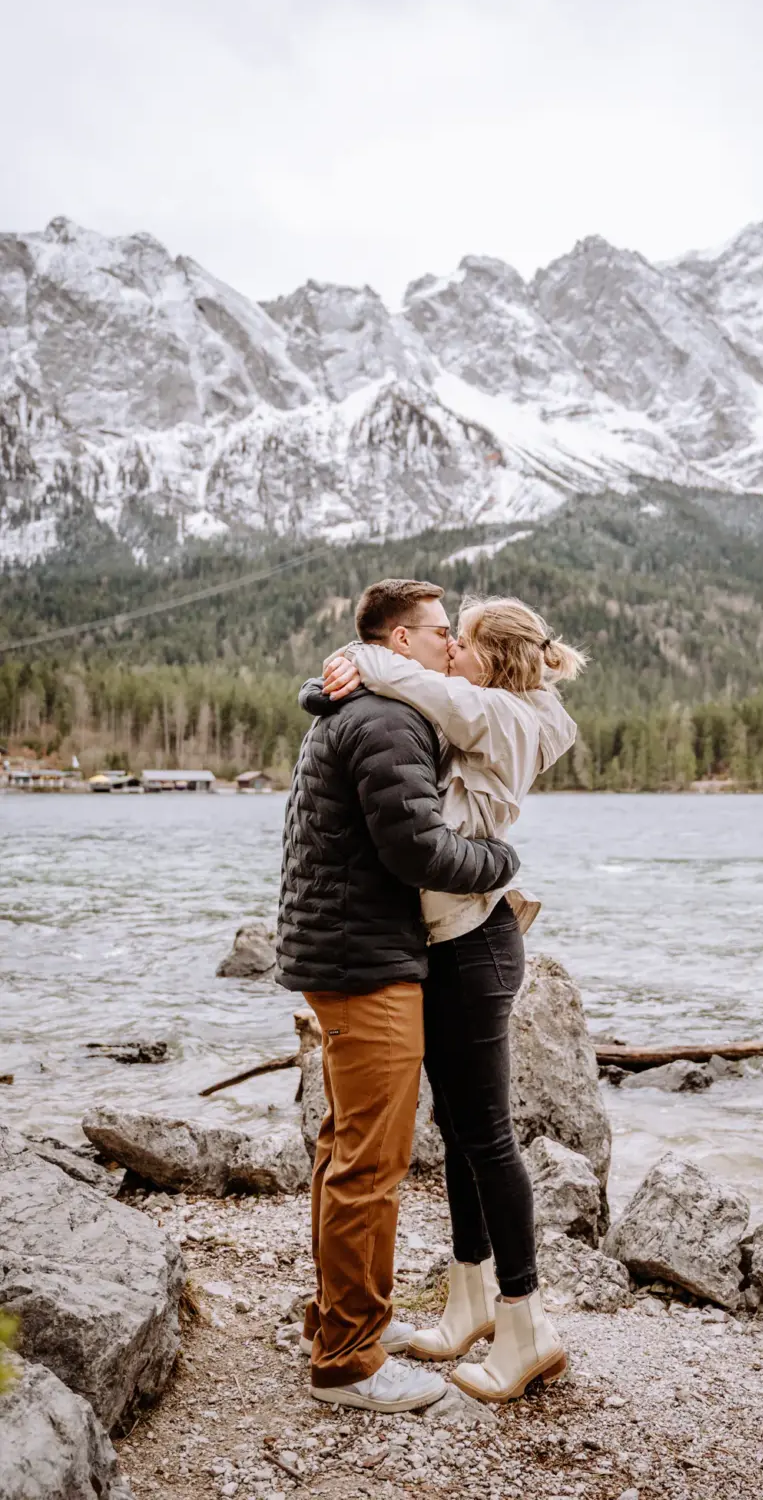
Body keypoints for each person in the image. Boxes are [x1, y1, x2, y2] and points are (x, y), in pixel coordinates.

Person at [319, 594, 586, 1403]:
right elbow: (417, 694)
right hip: (454, 941)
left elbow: (426, 691)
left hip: (477, 946)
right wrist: (335, 680)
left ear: (490, 659)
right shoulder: (497, 707)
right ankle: (469, 1300)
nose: (450, 653)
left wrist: (362, 659)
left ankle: (525, 1320)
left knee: (490, 1138)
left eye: (460, 640)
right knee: (458, 1130)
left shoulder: (506, 716)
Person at [276, 579, 521, 1415]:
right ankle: (349, 1360)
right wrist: (502, 864)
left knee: (342, 1148)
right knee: (369, 1165)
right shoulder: (387, 719)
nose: (452, 646)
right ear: (400, 642)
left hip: (343, 953)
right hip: (366, 963)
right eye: (441, 632)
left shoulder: (362, 706)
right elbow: (420, 849)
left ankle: (332, 1326)